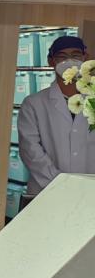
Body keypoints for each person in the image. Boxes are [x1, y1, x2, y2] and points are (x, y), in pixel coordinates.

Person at [18, 35, 95, 207]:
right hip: (46, 191)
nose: (70, 61)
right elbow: (30, 150)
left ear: (85, 58)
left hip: (90, 191)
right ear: (51, 61)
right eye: (62, 56)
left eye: (76, 55)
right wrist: (59, 184)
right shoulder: (34, 103)